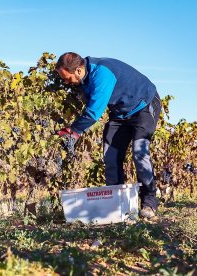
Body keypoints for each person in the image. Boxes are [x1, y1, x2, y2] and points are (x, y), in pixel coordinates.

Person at [55, 52, 162, 219]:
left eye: (67, 78)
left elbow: (93, 112)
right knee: (111, 156)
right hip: (120, 114)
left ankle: (150, 203)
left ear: (78, 70)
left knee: (139, 153)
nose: (66, 83)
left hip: (144, 106)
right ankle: (117, 206)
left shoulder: (102, 73)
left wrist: (74, 131)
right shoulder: (84, 79)